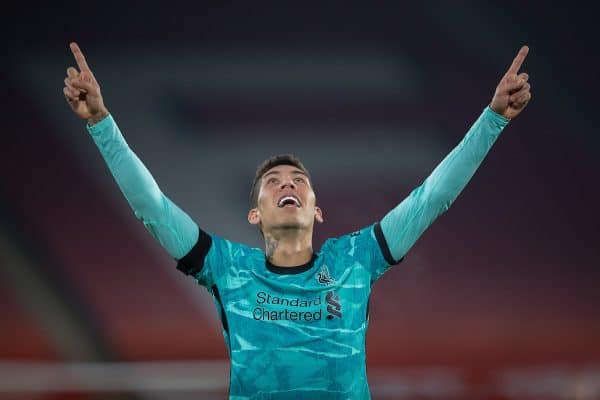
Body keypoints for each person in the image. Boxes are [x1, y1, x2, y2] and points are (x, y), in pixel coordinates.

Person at [63, 41, 531, 399]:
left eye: (298, 180)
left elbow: (432, 198)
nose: (287, 185)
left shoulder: (356, 259)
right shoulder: (227, 268)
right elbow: (153, 207)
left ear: (316, 209)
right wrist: (101, 122)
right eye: (273, 182)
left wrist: (493, 118)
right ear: (254, 214)